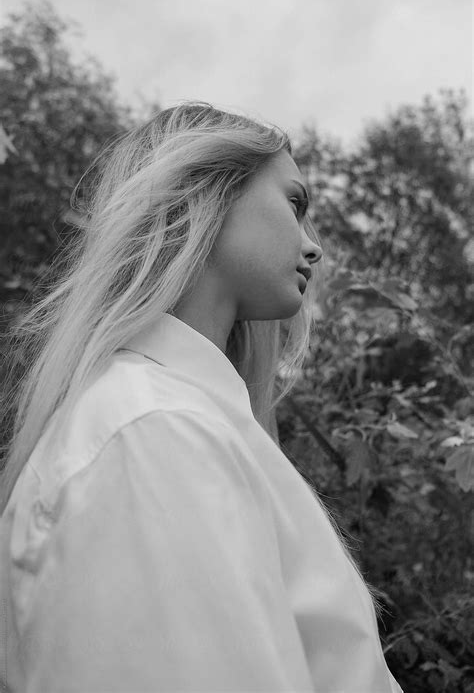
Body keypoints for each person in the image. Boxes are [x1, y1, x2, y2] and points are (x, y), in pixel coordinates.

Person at [0, 101, 403, 692]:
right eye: (295, 205)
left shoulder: (176, 419)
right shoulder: (153, 432)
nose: (312, 245)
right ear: (202, 192)